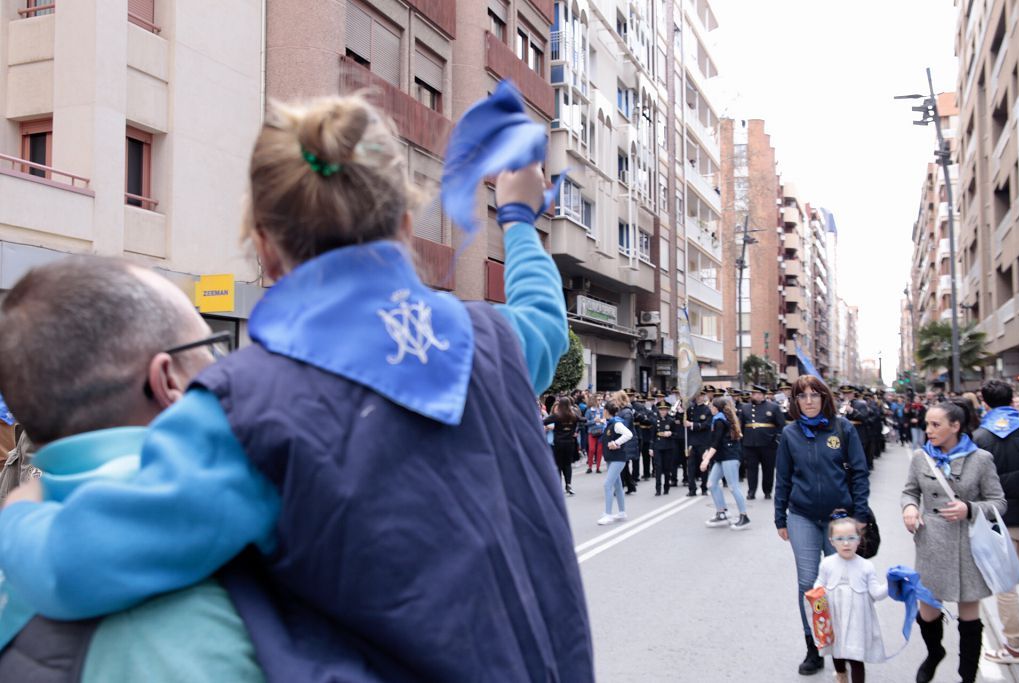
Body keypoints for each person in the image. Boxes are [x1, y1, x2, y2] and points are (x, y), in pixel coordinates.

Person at [0, 95, 594, 681]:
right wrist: (517, 221)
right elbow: (544, 322)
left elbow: (77, 566)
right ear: (406, 226)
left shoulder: (240, 409)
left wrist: (19, 514)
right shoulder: (491, 341)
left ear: (265, 248)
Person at [0, 257, 263, 682]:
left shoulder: (20, 550)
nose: (220, 367)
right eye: (211, 349)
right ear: (168, 381)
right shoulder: (216, 611)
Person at [901, 398, 1006, 683]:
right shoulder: (922, 457)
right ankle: (935, 653)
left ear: (956, 426)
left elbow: (999, 503)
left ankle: (967, 676)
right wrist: (910, 508)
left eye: (936, 424)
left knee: (969, 617)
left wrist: (969, 508)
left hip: (967, 547)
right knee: (928, 612)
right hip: (931, 545)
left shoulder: (981, 459)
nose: (929, 430)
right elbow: (910, 491)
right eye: (927, 424)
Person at [776, 375, 870, 677]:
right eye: (802, 396)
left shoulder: (842, 428)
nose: (809, 401)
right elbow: (783, 478)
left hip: (839, 520)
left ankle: (843, 647)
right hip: (801, 516)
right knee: (808, 584)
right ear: (795, 401)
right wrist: (780, 517)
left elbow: (859, 473)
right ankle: (814, 647)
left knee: (840, 583)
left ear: (824, 397)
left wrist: (860, 515)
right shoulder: (790, 433)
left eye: (814, 395)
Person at [972, 379, 1019, 664]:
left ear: (985, 402)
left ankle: (1015, 645)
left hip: (999, 519)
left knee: (1006, 585)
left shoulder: (980, 437)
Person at [812, 511, 889, 683]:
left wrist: (892, 584)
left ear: (859, 539)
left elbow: (876, 593)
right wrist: (817, 592)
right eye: (839, 539)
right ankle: (841, 675)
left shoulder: (866, 566)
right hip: (835, 618)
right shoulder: (827, 564)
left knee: (856, 658)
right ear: (831, 541)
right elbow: (819, 583)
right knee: (836, 652)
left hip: (857, 622)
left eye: (851, 538)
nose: (846, 543)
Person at [700, 396, 751, 531]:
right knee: (711, 483)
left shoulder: (720, 421)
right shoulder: (718, 419)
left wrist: (706, 460)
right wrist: (707, 451)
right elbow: (714, 440)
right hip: (722, 457)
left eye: (711, 406)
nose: (709, 408)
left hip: (730, 456)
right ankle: (722, 512)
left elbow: (716, 442)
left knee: (733, 487)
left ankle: (744, 516)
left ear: (716, 408)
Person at [739, 384, 786, 500]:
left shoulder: (773, 407)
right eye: (753, 394)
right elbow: (741, 426)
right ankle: (751, 491)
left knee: (768, 469)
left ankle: (767, 491)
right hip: (750, 444)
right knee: (751, 469)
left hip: (768, 444)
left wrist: (776, 439)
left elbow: (781, 425)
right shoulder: (745, 408)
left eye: (757, 394)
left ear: (763, 395)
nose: (754, 396)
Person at [598, 401, 633, 525]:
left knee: (607, 484)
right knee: (617, 485)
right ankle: (622, 512)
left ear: (606, 411)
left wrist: (616, 443)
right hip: (611, 457)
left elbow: (629, 434)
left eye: (603, 410)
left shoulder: (616, 423)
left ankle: (608, 514)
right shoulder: (609, 423)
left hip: (618, 458)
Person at [543, 396, 579, 495]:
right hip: (570, 443)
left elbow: (544, 421)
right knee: (567, 465)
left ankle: (558, 486)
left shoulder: (556, 416)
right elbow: (583, 420)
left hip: (558, 443)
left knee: (558, 465)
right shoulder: (573, 415)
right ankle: (569, 484)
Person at [686, 387, 713, 496]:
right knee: (691, 466)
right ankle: (692, 488)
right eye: (697, 396)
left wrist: (692, 425)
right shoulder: (690, 409)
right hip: (692, 441)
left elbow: (706, 425)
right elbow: (684, 420)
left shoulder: (707, 410)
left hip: (703, 441)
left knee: (703, 466)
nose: (699, 398)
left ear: (704, 396)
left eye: (701, 396)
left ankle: (704, 488)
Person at [613, 389, 639, 494]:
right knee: (623, 466)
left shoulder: (626, 412)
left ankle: (621, 486)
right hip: (624, 441)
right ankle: (630, 485)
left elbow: (625, 428)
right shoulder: (621, 411)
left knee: (621, 465)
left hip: (627, 441)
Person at [652, 400, 675, 496]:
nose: (663, 411)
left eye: (665, 410)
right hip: (657, 446)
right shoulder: (655, 420)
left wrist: (671, 433)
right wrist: (651, 448)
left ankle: (666, 486)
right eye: (661, 410)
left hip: (668, 446)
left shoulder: (671, 420)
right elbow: (652, 435)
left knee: (667, 468)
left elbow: (676, 434)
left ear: (668, 410)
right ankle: (658, 488)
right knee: (658, 467)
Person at [584, 394, 605, 474]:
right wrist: (594, 421)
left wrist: (603, 421)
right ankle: (589, 466)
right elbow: (585, 422)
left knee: (599, 450)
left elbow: (606, 420)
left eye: (601, 399)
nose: (600, 401)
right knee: (591, 449)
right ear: (594, 400)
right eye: (598, 399)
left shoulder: (603, 410)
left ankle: (598, 467)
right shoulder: (589, 410)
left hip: (601, 432)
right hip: (592, 432)